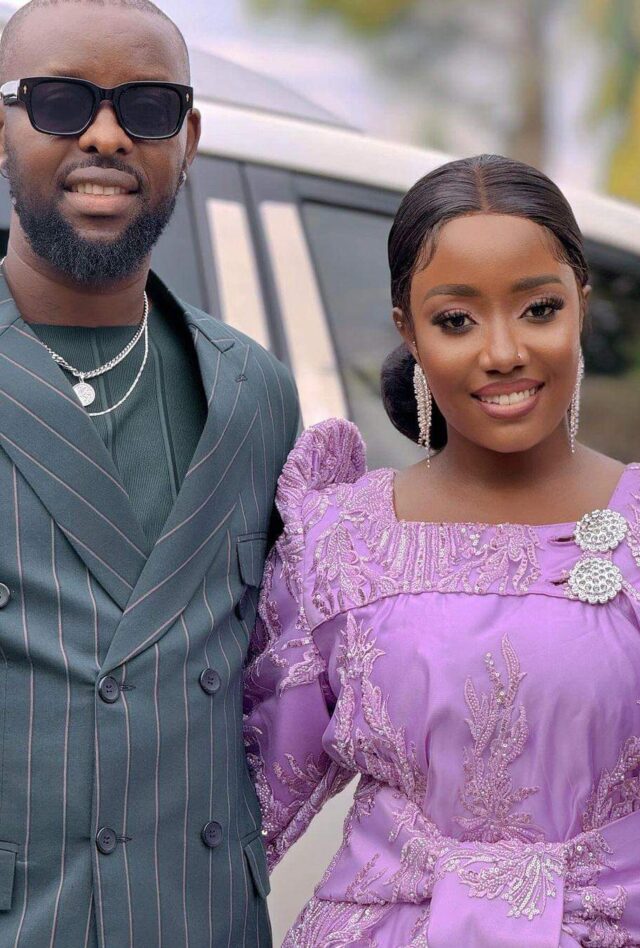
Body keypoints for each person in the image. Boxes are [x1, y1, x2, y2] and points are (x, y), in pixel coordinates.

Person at [244, 154, 640, 946]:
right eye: (457, 320)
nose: (504, 351)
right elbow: (237, 795)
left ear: (581, 304)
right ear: (408, 330)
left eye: (538, 309)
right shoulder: (337, 540)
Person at [0, 2, 297, 945]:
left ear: (188, 139)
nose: (104, 135)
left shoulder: (254, 393)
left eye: (147, 107)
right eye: (59, 102)